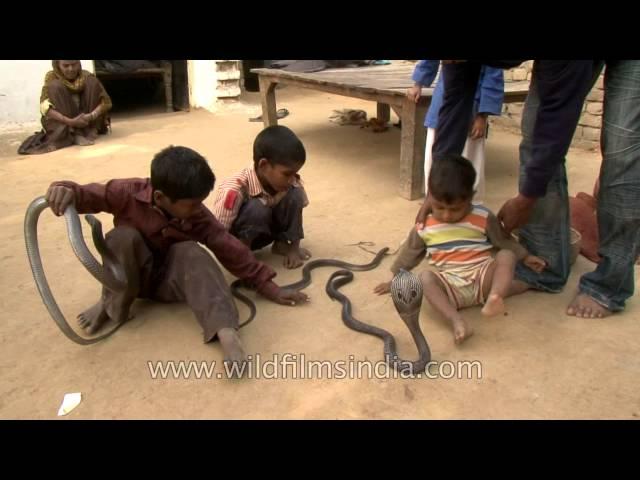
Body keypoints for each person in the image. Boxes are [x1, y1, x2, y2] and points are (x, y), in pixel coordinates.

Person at [45, 145, 308, 373]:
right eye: (192, 204)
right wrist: (63, 189)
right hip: (131, 276)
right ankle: (110, 304)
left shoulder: (197, 215)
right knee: (122, 238)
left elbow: (229, 248)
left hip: (171, 281)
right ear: (160, 197)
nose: (198, 210)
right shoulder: (125, 192)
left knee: (192, 252)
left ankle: (225, 330)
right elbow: (85, 194)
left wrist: (268, 286)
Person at [375, 154, 546, 344]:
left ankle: (495, 296)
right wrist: (395, 279)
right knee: (425, 278)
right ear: (430, 195)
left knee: (506, 256)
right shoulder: (425, 225)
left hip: (482, 276)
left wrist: (526, 255)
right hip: (451, 286)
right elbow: (410, 253)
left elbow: (503, 241)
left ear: (471, 198)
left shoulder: (482, 216)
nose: (447, 215)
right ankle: (456, 320)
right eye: (439, 207)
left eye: (455, 209)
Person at [212, 125, 312, 269]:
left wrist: (294, 247)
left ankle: (282, 244)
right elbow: (219, 233)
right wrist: (234, 257)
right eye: (286, 174)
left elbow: (296, 210)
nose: (292, 179)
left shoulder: (290, 182)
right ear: (264, 165)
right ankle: (244, 256)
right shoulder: (234, 189)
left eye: (294, 174)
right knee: (257, 207)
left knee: (295, 194)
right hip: (240, 239)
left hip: (267, 231)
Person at [407, 60, 504, 203]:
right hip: (442, 103)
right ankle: (435, 201)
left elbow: (493, 75)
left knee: (469, 159)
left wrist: (482, 115)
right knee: (436, 158)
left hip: (471, 108)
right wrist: (418, 83)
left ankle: (470, 203)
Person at [19, 60, 112, 154]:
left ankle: (91, 129)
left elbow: (106, 102)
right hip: (66, 120)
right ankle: (74, 134)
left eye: (74, 65)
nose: (71, 69)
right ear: (58, 65)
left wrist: (91, 116)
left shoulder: (85, 76)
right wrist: (71, 122)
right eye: (66, 66)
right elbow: (45, 108)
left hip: (86, 118)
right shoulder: (51, 78)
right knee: (55, 86)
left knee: (92, 82)